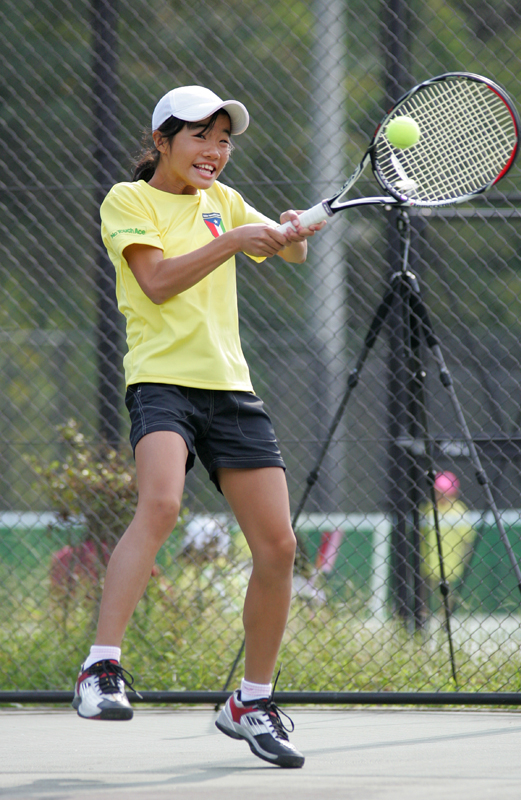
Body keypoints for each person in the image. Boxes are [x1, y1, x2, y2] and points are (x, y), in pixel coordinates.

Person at [71, 85, 325, 769]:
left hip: (231, 390)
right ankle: (101, 668)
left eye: (223, 139)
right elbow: (155, 282)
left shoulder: (227, 201)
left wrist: (292, 231)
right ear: (161, 142)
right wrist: (238, 238)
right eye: (199, 137)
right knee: (160, 504)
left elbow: (287, 253)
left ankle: (252, 700)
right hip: (161, 382)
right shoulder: (129, 202)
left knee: (278, 546)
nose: (214, 151)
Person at [420, 471, 476, 614]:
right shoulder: (427, 509)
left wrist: (463, 561)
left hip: (450, 566)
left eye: (443, 492)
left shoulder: (460, 512)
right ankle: (423, 625)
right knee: (423, 600)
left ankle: (444, 628)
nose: (440, 496)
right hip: (427, 566)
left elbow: (467, 541)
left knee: (445, 601)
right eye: (437, 492)